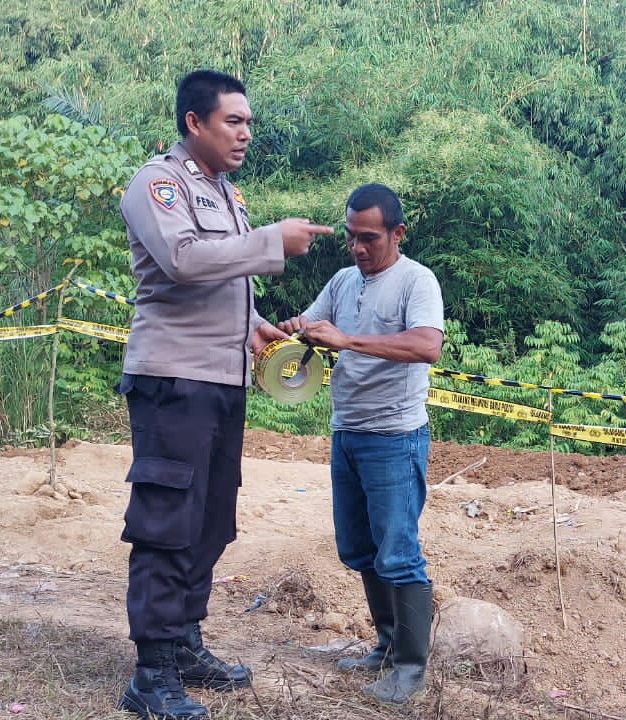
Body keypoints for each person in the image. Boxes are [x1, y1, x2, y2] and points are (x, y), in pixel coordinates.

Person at [116, 69, 334, 720]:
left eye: (248, 123)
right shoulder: (159, 184)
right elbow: (182, 261)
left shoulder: (226, 194)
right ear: (194, 123)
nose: (244, 134)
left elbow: (220, 282)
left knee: (210, 519)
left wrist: (256, 327)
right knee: (167, 522)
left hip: (222, 380)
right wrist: (272, 243)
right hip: (173, 379)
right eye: (232, 121)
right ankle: (150, 675)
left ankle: (184, 642)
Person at [277, 183, 444, 704]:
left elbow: (426, 345)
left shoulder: (418, 281)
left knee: (398, 553)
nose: (358, 247)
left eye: (369, 237)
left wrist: (346, 341)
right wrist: (295, 330)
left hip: (395, 437)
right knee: (360, 549)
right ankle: (388, 647)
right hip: (347, 432)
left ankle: (412, 669)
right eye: (351, 237)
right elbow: (314, 322)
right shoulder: (344, 281)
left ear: (397, 233)